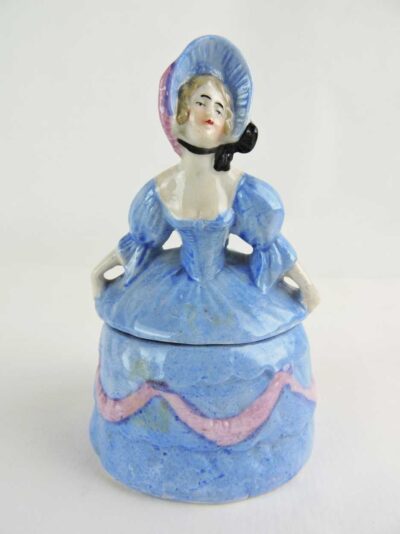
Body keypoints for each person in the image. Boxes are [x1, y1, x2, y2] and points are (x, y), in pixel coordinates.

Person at [91, 35, 319, 345]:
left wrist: (307, 287)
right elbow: (140, 244)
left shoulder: (242, 191)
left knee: (251, 334)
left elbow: (269, 244)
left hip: (229, 291)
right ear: (180, 114)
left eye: (220, 107)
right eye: (201, 101)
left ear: (228, 126)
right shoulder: (160, 191)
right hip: (172, 291)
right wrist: (99, 273)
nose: (210, 110)